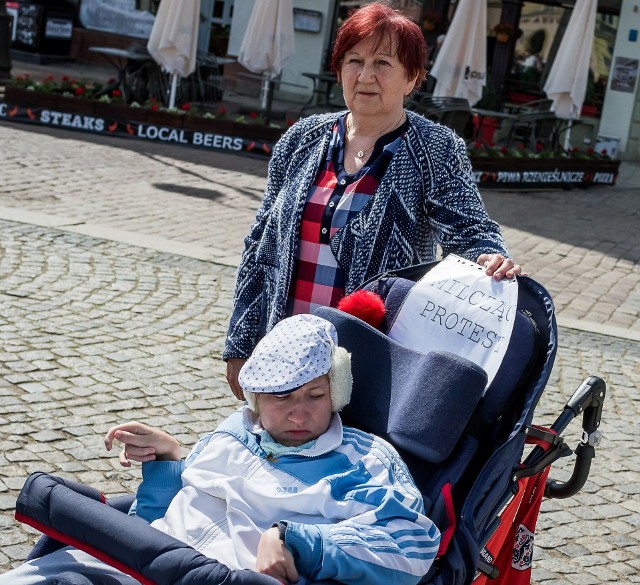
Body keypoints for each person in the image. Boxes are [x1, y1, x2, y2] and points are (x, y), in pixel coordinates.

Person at [224, 2, 524, 399]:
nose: (366, 76)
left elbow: (470, 229)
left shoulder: (435, 148)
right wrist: (241, 343)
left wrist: (489, 256)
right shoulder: (302, 139)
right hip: (284, 349)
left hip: (369, 357)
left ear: (412, 78)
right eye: (354, 60)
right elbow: (260, 246)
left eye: (383, 63)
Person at [2, 315, 440, 585]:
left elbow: (413, 544)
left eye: (315, 395)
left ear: (337, 391)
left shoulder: (364, 460)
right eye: (281, 398)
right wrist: (171, 465)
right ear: (255, 399)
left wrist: (297, 541)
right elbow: (152, 523)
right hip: (129, 566)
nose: (300, 415)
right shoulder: (234, 432)